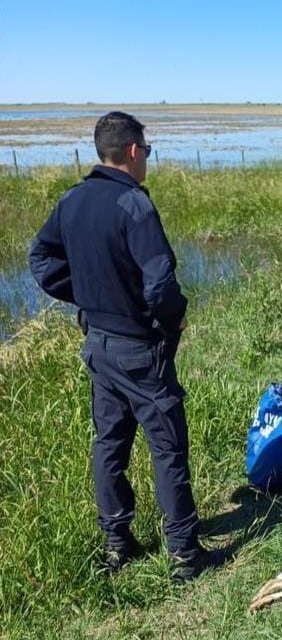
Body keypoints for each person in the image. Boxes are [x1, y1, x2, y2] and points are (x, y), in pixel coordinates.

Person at [29, 111, 223, 584]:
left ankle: (118, 543)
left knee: (110, 444)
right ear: (133, 151)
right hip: (139, 346)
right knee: (168, 446)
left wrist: (89, 295)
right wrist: (167, 323)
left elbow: (41, 259)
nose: (147, 160)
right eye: (148, 152)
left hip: (97, 342)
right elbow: (161, 285)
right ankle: (183, 555)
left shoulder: (72, 200)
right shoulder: (134, 206)